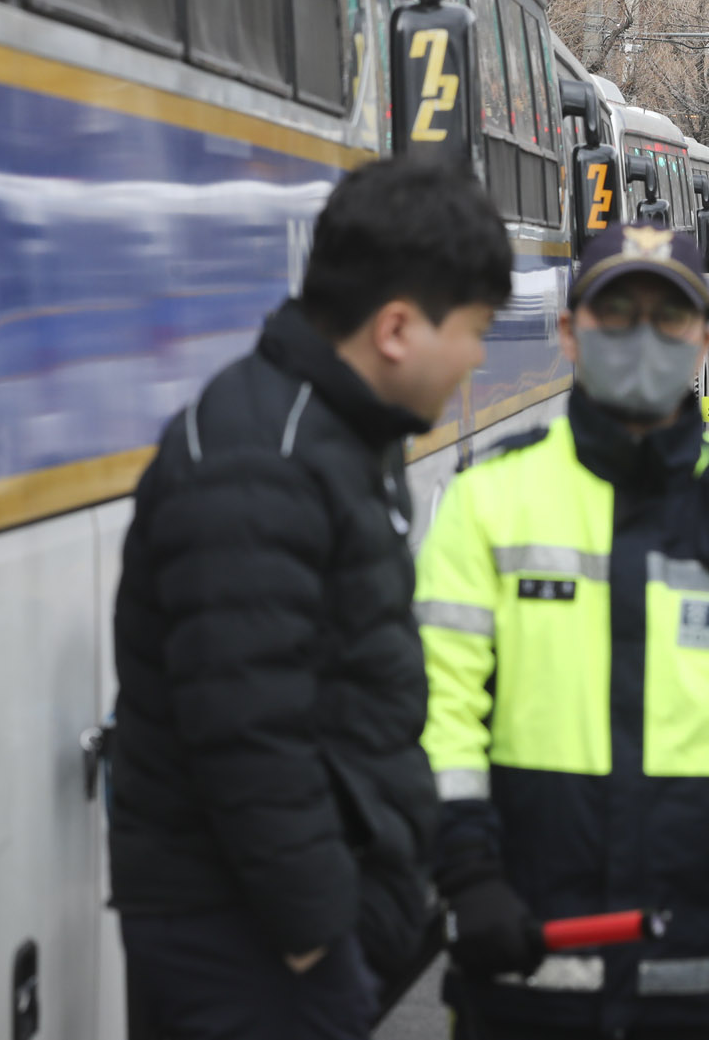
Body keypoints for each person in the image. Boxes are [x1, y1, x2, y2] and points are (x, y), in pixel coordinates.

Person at [415, 222, 709, 1040]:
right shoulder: (488, 499)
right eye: (617, 314)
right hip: (529, 963)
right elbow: (435, 701)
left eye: (668, 318)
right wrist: (466, 868)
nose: (643, 337)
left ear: (704, 338)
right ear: (569, 333)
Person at [108, 158, 513, 1039]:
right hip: (250, 945)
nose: (479, 357)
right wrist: (315, 941)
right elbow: (248, 732)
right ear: (396, 328)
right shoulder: (262, 456)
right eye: (475, 330)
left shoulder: (328, 431)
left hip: (277, 933)